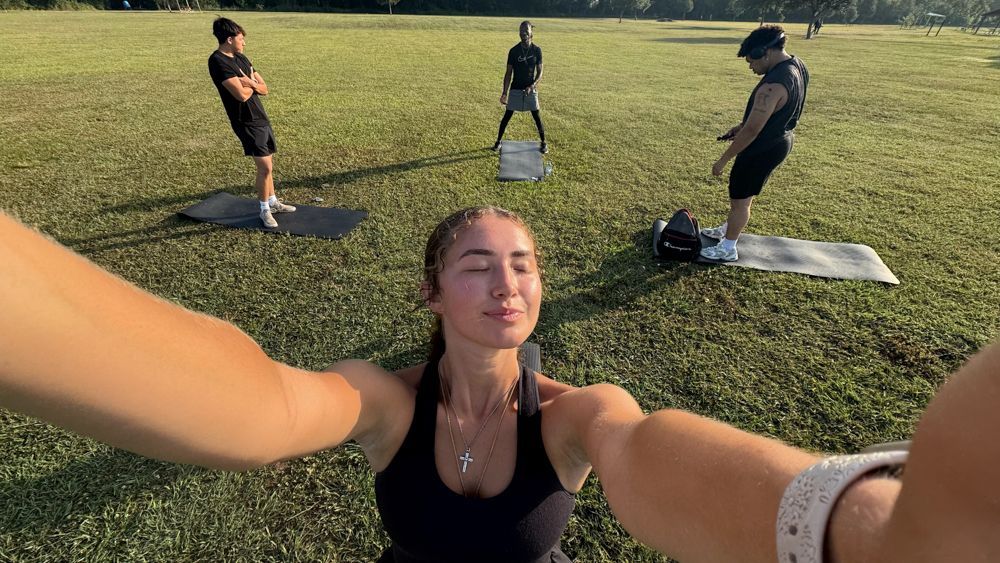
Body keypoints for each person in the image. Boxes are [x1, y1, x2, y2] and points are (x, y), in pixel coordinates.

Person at [2, 206, 998, 562]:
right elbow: (261, 404)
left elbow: (646, 449)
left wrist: (853, 531)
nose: (505, 280)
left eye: (520, 263)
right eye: (476, 264)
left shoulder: (579, 413)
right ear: (432, 291)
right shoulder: (385, 402)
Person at [701, 25, 809, 262]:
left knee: (740, 199)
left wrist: (723, 160)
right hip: (780, 140)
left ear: (765, 52)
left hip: (762, 147)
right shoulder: (797, 65)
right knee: (744, 194)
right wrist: (740, 127)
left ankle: (728, 247)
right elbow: (772, 114)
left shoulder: (772, 85)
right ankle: (727, 230)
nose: (751, 67)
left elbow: (753, 130)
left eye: (751, 61)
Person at [208, 17, 296, 229]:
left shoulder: (241, 58)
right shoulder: (218, 61)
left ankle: (273, 202)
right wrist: (250, 84)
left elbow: (264, 88)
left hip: (261, 117)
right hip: (245, 120)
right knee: (265, 167)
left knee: (269, 165)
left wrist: (250, 82)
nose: (244, 43)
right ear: (229, 39)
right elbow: (240, 95)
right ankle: (264, 208)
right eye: (241, 39)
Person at [493, 21, 548, 154]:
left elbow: (540, 72)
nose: (523, 32)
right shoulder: (514, 51)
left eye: (526, 30)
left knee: (537, 116)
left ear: (531, 32)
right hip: (516, 89)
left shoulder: (537, 50)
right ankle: (498, 142)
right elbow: (508, 73)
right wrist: (504, 92)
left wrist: (533, 85)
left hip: (531, 90)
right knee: (507, 115)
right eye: (521, 30)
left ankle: (544, 143)